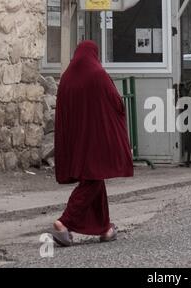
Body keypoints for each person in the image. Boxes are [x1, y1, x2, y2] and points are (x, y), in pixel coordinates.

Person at [52, 41, 133, 246]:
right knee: (93, 178)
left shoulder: (67, 77)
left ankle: (104, 228)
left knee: (95, 177)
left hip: (76, 139)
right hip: (96, 137)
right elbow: (116, 101)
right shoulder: (97, 74)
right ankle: (64, 222)